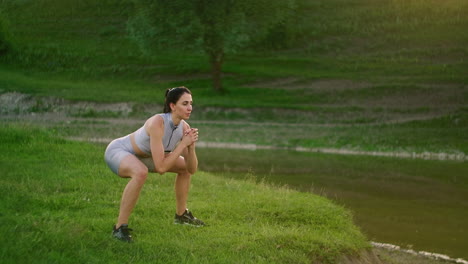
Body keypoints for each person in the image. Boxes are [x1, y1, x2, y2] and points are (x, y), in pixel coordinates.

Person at [104, 86, 205, 243]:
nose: (190, 108)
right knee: (140, 172)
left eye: (191, 103)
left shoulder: (184, 127)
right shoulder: (157, 123)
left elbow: (191, 169)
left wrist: (190, 148)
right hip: (120, 151)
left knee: (184, 169)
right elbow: (161, 168)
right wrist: (182, 144)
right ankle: (119, 228)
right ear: (172, 106)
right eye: (185, 103)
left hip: (144, 157)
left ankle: (181, 215)